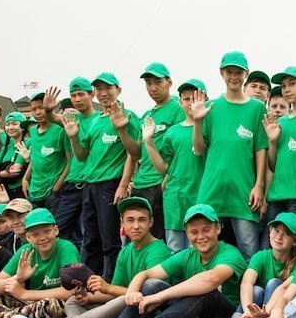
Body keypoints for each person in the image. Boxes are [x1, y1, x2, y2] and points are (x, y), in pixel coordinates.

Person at [63, 204, 245, 318]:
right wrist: (133, 292)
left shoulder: (230, 253)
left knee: (204, 292)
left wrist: (160, 296)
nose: (201, 236)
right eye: (194, 232)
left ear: (218, 229)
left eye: (206, 230)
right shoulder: (186, 255)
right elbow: (146, 273)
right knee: (151, 284)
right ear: (187, 234)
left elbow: (210, 279)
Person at [5, 196, 171, 318]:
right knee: (73, 301)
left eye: (141, 220)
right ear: (122, 222)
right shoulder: (126, 250)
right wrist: (88, 297)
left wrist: (108, 288)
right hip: (124, 304)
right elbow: (116, 291)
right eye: (130, 220)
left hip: (145, 310)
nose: (136, 226)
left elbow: (148, 294)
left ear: (151, 222)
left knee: (122, 300)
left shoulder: (157, 250)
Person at [63, 72, 140, 280]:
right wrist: (73, 137)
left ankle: (113, 284)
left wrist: (123, 184)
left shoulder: (128, 115)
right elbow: (82, 155)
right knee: (91, 239)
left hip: (110, 185)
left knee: (110, 241)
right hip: (90, 185)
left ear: (118, 90)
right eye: (99, 89)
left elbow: (134, 153)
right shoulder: (96, 121)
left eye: (108, 88)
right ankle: (88, 283)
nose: (103, 93)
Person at [192, 52, 269, 260]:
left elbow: (260, 149)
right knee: (205, 253)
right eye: (229, 72)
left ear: (246, 74)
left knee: (249, 254)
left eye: (238, 72)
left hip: (243, 193)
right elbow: (199, 149)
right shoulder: (211, 107)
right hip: (212, 191)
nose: (234, 77)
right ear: (221, 73)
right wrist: (197, 121)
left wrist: (259, 185)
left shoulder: (257, 108)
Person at [213, 211, 296, 318]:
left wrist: (264, 313)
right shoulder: (261, 256)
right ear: (270, 231)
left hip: (280, 314)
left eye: (286, 233)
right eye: (276, 230)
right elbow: (246, 282)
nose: (279, 236)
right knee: (255, 290)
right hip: (257, 313)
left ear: (295, 241)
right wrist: (248, 311)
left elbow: (284, 288)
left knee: (274, 283)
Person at [143, 79, 207, 254]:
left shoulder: (210, 128)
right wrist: (149, 142)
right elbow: (163, 168)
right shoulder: (172, 132)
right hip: (175, 200)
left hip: (201, 197)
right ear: (179, 102)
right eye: (187, 99)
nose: (191, 103)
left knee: (199, 251)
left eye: (196, 98)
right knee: (174, 250)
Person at [130, 63, 184, 239]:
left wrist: (166, 179)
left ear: (169, 82)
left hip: (159, 183)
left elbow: (181, 149)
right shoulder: (147, 115)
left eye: (158, 82)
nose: (153, 87)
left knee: (158, 238)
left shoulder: (177, 109)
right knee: (138, 237)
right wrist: (122, 130)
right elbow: (136, 153)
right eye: (148, 83)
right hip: (140, 184)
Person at [262, 66, 296, 247]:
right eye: (284, 86)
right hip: (276, 196)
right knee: (269, 247)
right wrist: (273, 142)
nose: (287, 89)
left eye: (292, 84)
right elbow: (272, 164)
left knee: (294, 249)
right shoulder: (280, 122)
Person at [49, 77, 98, 249]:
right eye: (73, 95)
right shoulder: (72, 117)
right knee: (58, 228)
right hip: (72, 184)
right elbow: (53, 118)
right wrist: (48, 109)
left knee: (90, 233)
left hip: (92, 183)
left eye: (81, 94)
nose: (77, 99)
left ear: (91, 95)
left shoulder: (101, 118)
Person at [24, 92, 70, 211]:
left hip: (52, 191)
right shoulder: (33, 131)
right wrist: (25, 178)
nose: (38, 112)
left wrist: (57, 186)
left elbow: (71, 160)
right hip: (34, 190)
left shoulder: (61, 130)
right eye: (33, 109)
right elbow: (35, 157)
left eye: (41, 108)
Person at [0, 111, 29, 201]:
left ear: (23, 127)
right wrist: (3, 172)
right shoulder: (5, 148)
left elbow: (15, 171)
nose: (10, 127)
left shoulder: (27, 143)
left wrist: (0, 172)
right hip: (5, 190)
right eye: (7, 124)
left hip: (21, 189)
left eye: (14, 124)